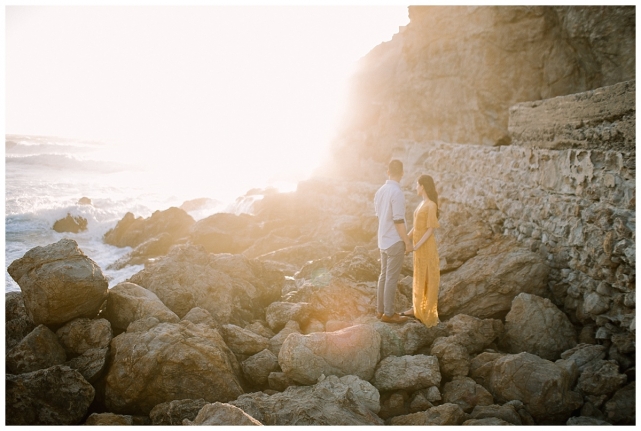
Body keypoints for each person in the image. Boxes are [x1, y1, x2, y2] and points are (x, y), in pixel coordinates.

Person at [374, 159, 413, 324]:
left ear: (388, 172)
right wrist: (407, 242)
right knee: (390, 278)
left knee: (383, 276)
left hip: (382, 239)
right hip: (394, 241)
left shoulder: (380, 191)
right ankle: (389, 314)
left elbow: (379, 215)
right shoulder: (397, 193)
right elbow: (398, 220)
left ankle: (380, 310)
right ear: (402, 173)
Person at [404, 174, 441, 327]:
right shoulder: (422, 203)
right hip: (418, 247)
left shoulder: (431, 205)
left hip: (426, 247)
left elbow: (430, 229)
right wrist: (405, 239)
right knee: (419, 276)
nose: (415, 187)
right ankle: (416, 308)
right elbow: (417, 227)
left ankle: (426, 312)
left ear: (423, 186)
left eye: (417, 185)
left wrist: (417, 245)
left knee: (428, 278)